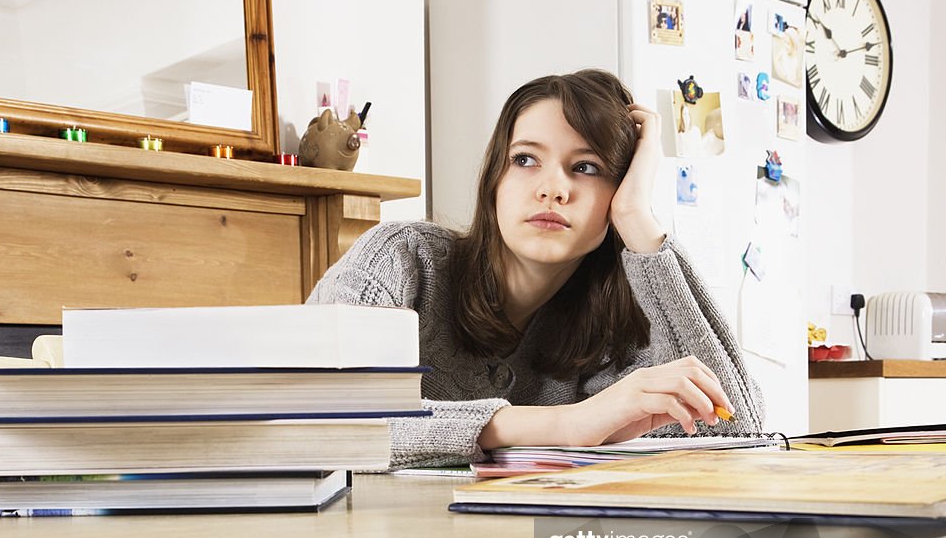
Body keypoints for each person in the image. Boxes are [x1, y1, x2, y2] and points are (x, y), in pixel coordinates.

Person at [308, 69, 764, 474]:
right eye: (525, 159)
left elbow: (738, 437)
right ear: (495, 180)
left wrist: (637, 221)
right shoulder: (401, 258)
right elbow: (324, 419)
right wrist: (565, 425)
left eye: (586, 167)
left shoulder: (612, 329)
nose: (553, 189)